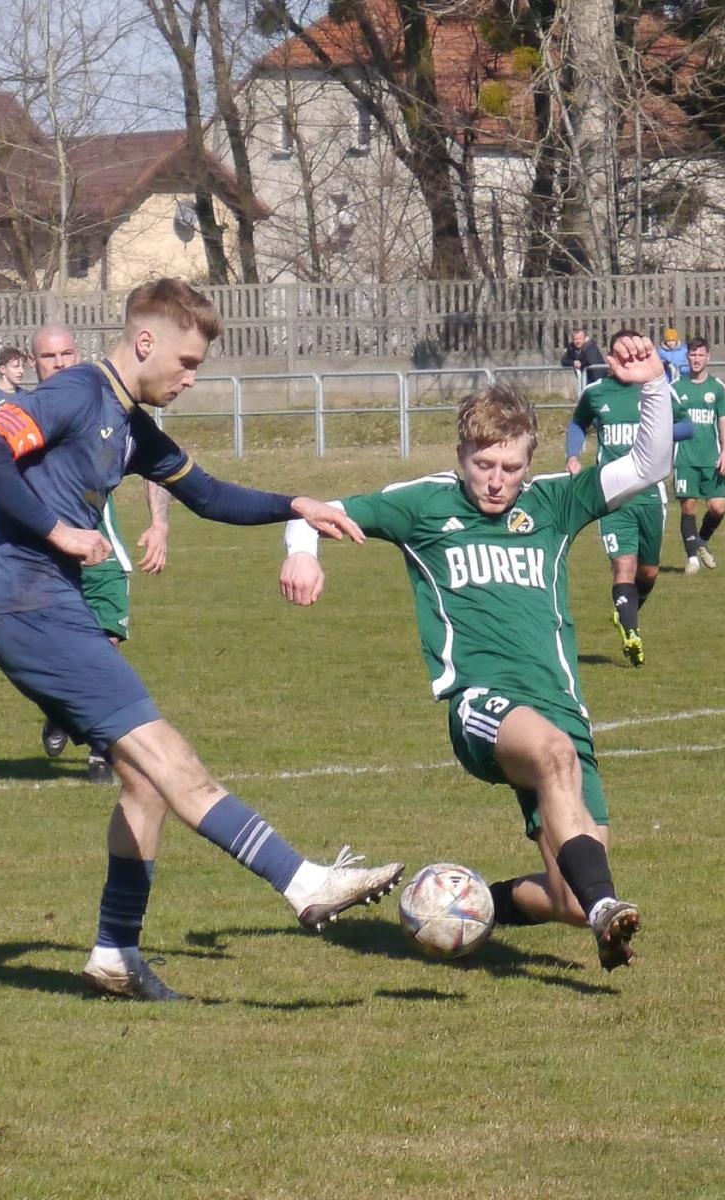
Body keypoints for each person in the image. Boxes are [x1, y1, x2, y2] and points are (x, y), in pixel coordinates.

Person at [0, 278, 404, 1001]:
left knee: (144, 783)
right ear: (145, 342)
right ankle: (303, 882)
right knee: (170, 757)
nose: (192, 377)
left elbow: (208, 495)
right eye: (187, 362)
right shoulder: (75, 392)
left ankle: (115, 953)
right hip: (29, 605)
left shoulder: (132, 425)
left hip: (50, 605)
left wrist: (296, 504)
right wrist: (57, 529)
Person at [278, 336, 672, 971]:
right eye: (483, 463)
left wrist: (653, 385)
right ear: (461, 454)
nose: (496, 480)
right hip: (481, 703)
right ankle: (607, 908)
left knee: (568, 897)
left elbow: (650, 465)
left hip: (560, 706)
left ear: (529, 461)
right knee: (554, 761)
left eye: (510, 467)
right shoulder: (424, 504)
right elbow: (309, 514)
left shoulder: (553, 503)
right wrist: (303, 553)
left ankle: (467, 905)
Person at [26, 322, 173, 784]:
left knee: (104, 652)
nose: (60, 364)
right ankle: (60, 711)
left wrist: (159, 523)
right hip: (43, 562)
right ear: (33, 363)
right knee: (60, 657)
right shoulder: (24, 417)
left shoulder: (105, 407)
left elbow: (156, 464)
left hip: (102, 555)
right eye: (49, 357)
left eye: (67, 354)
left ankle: (100, 750)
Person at [566, 329, 671, 668]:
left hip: (650, 494)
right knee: (623, 565)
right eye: (620, 354)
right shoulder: (595, 392)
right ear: (611, 357)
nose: (627, 360)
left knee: (649, 572)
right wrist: (573, 454)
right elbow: (578, 423)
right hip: (612, 494)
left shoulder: (654, 390)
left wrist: (662, 437)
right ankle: (631, 633)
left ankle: (626, 612)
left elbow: (687, 426)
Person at [672, 337, 725, 574]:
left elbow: (724, 420)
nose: (696, 359)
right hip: (685, 458)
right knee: (688, 507)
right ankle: (692, 560)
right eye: (692, 354)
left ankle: (701, 541)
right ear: (687, 357)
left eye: (700, 355)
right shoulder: (675, 388)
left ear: (708, 357)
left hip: (712, 458)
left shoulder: (717, 387)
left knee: (718, 508)